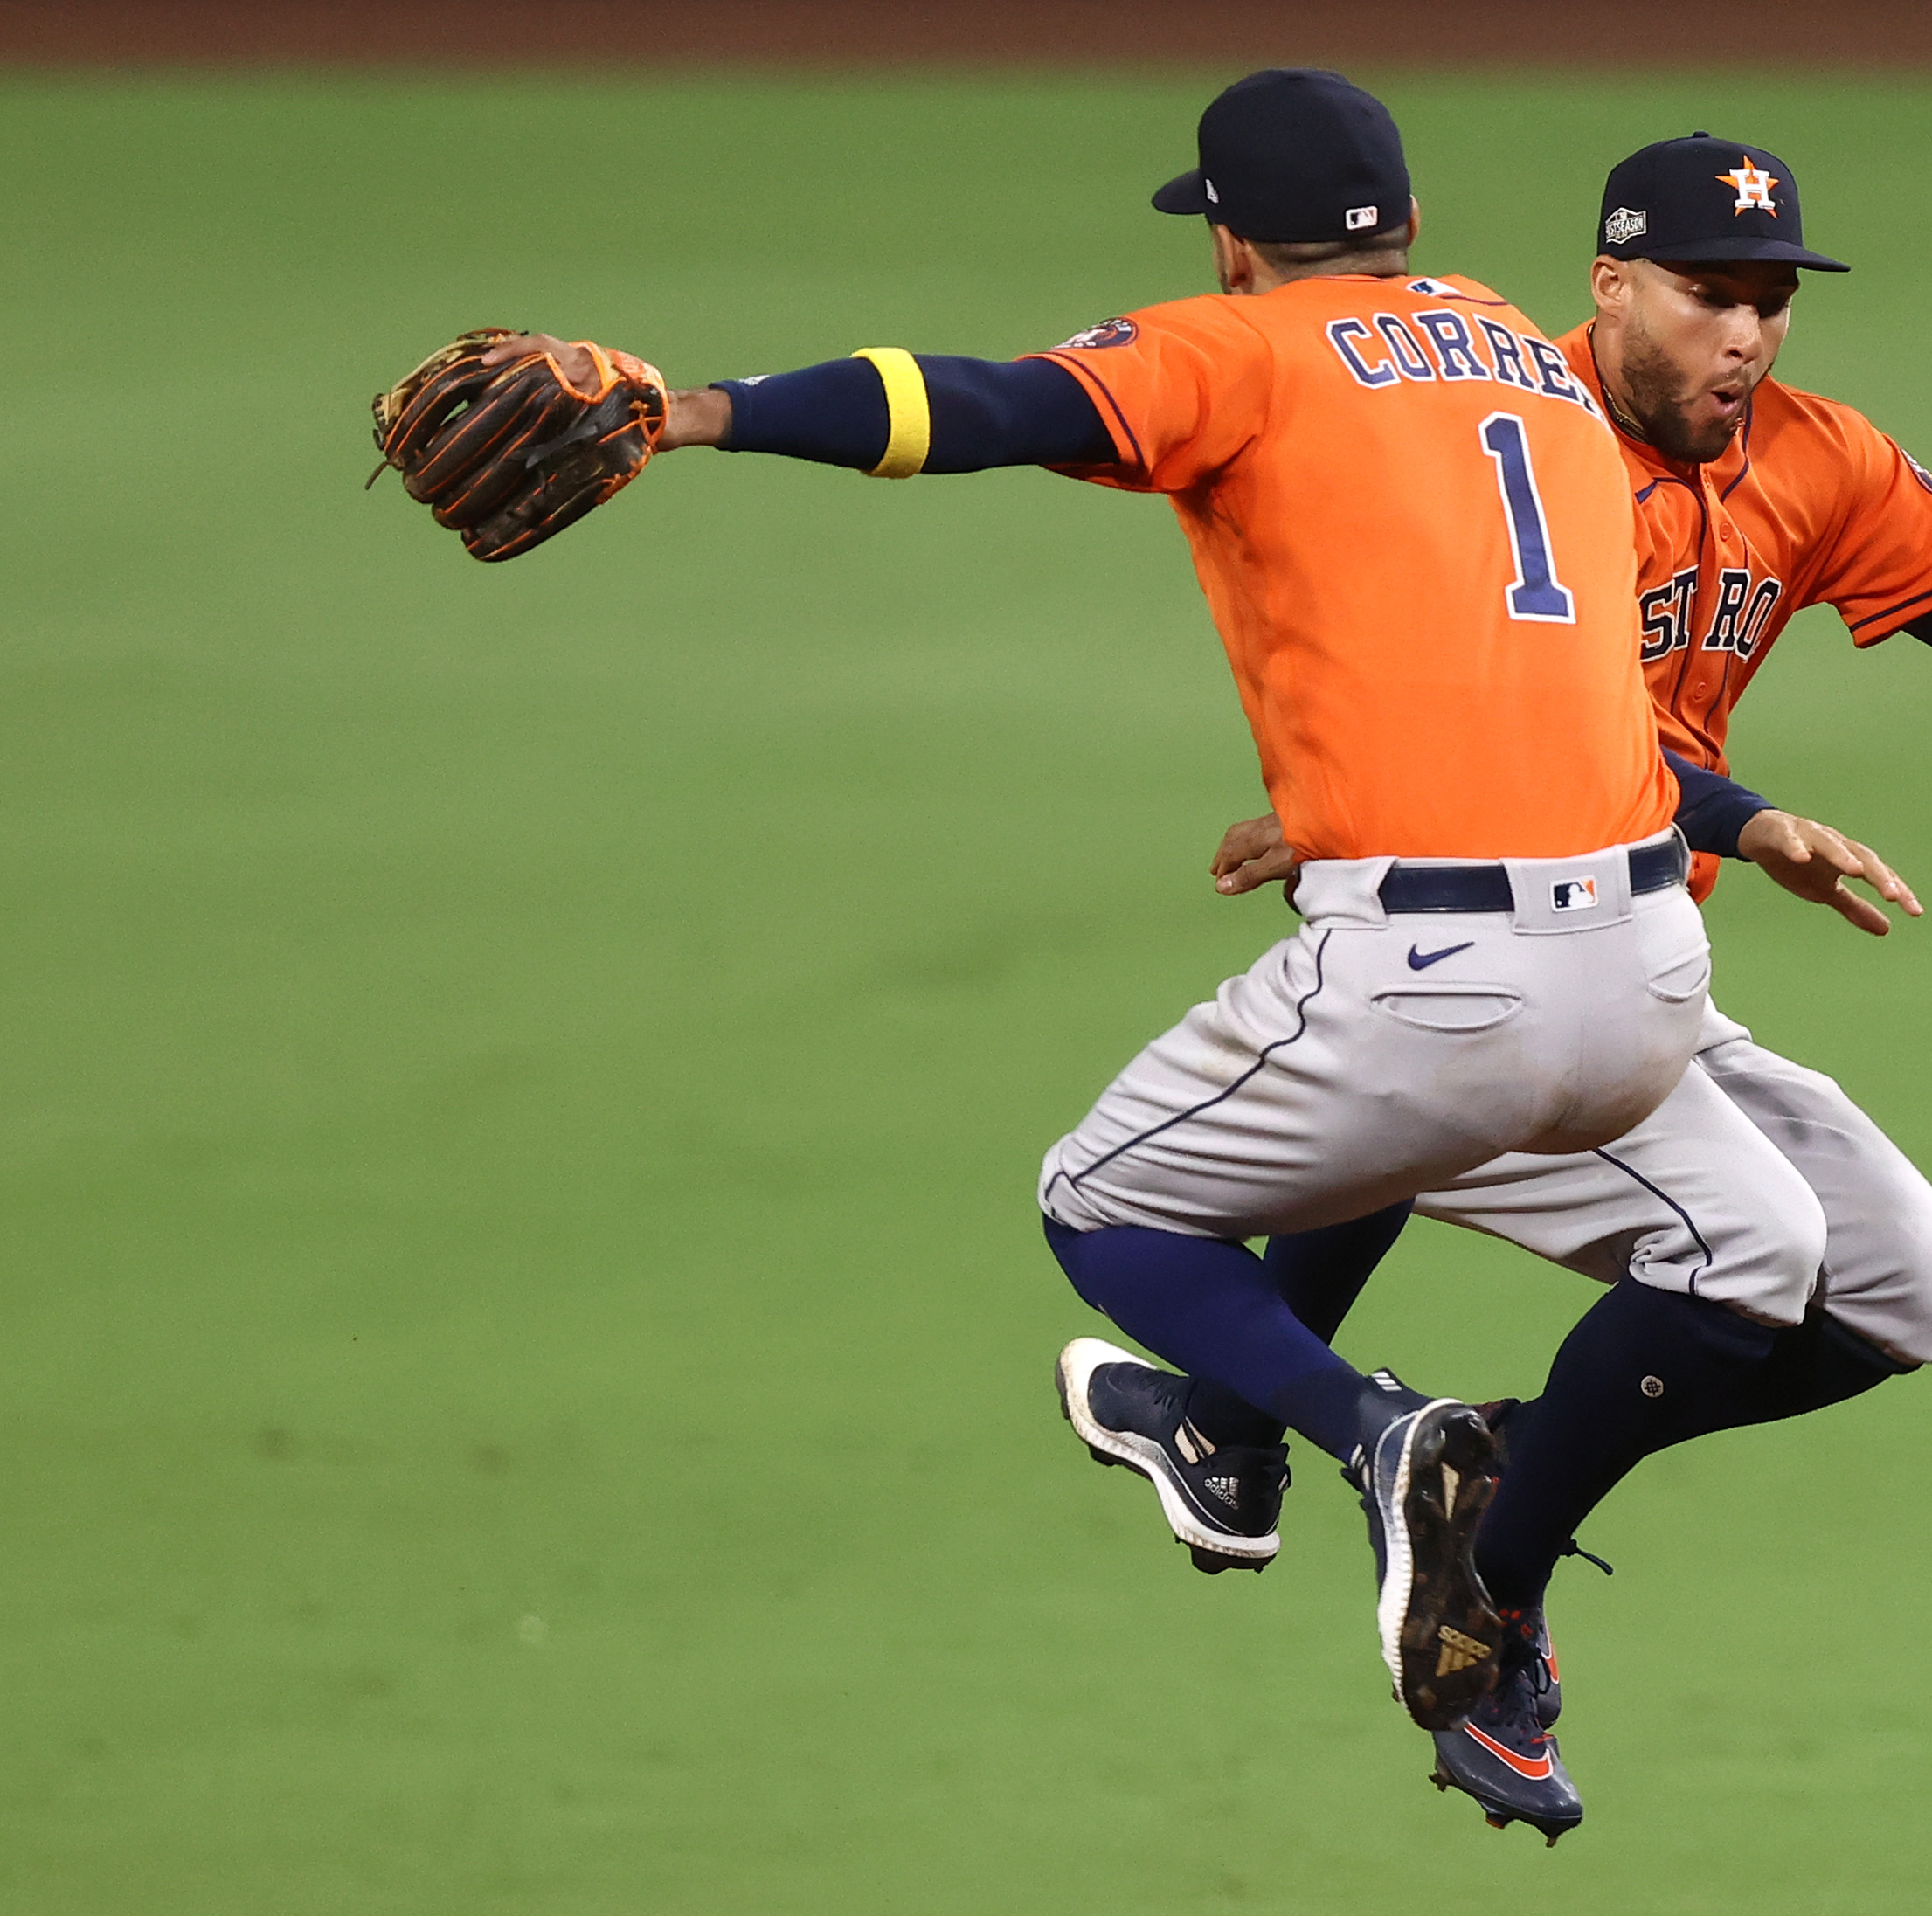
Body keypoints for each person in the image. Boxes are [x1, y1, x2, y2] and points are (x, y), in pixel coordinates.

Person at [1069, 133, 1932, 1842]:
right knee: (1481, 1087)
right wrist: (1739, 811)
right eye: (1713, 294)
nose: (1748, 335)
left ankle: (1279, 1438)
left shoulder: (1811, 459)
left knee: (1905, 1290)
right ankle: (1457, 1582)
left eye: (1771, 300)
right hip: (1480, 931)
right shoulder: (1497, 447)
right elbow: (1530, 719)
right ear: (1608, 284)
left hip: (1629, 968)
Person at [483, 75, 1805, 1740]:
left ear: (1234, 238)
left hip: (1438, 969)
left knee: (1101, 1203)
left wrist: (700, 412)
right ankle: (1216, 1432)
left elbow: (973, 402)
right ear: (1400, 227)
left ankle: (1376, 1434)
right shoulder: (1511, 350)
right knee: (1392, 1144)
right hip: (1650, 962)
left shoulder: (1237, 346)